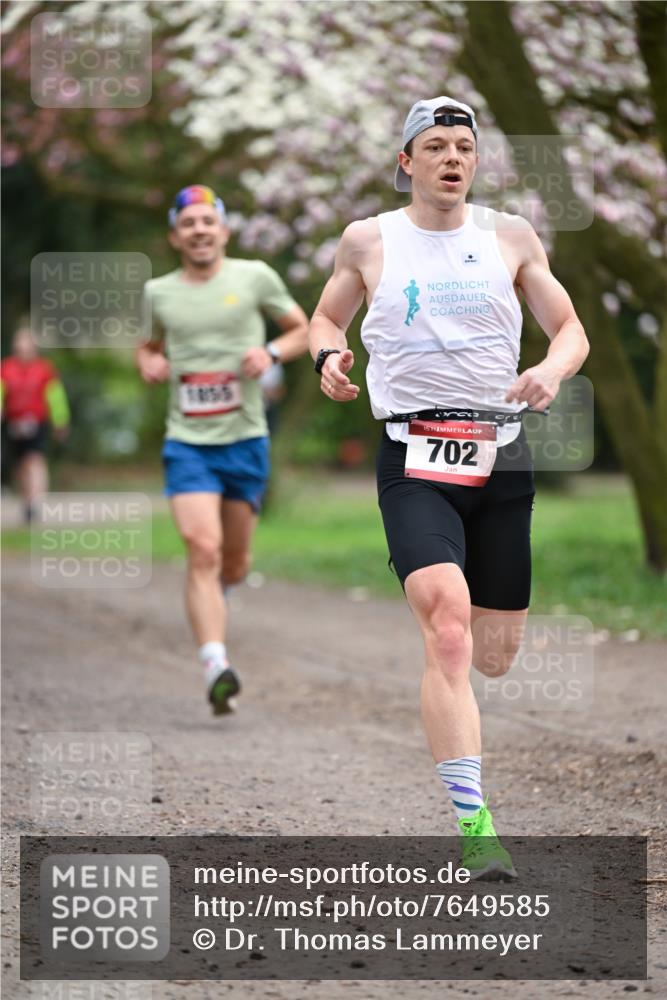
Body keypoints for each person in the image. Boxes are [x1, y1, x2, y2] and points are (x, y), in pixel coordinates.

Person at [309, 98, 589, 879]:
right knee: (449, 629)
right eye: (434, 146)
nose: (451, 158)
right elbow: (324, 319)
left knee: (494, 656)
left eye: (463, 146)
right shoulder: (369, 239)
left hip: (499, 458)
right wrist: (325, 357)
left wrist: (549, 369)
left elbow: (569, 328)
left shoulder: (509, 236)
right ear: (406, 162)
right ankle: (476, 827)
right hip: (413, 457)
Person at [138, 185, 308, 715]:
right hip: (188, 442)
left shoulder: (255, 276)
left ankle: (220, 596)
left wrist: (271, 351)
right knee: (202, 549)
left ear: (224, 231)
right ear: (175, 236)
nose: (199, 230)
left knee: (233, 561)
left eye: (207, 222)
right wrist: (148, 362)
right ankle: (216, 663)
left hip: (245, 440)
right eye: (188, 223)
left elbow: (301, 329)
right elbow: (146, 346)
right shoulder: (157, 293)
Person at [1, 324, 70, 523]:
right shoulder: (6, 368)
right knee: (21, 465)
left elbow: (56, 397)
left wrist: (61, 420)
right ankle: (26, 501)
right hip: (13, 423)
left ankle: (36, 502)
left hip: (37, 422)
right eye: (20, 341)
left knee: (35, 461)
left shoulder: (44, 369)